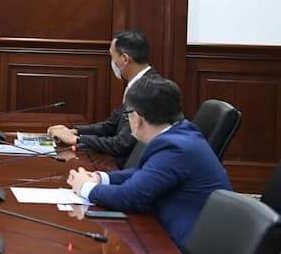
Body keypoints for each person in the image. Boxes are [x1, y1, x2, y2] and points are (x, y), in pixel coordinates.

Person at [66, 75, 232, 248]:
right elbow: (145, 173)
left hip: (179, 244)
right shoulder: (182, 132)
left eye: (128, 116)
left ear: (137, 119)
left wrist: (85, 187)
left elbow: (129, 197)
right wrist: (101, 178)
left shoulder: (174, 149)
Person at [47, 30, 154, 166]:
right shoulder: (139, 84)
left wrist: (78, 139)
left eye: (112, 56)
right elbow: (111, 125)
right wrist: (74, 131)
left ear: (125, 59)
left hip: (123, 167)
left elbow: (122, 144)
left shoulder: (146, 90)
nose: (112, 62)